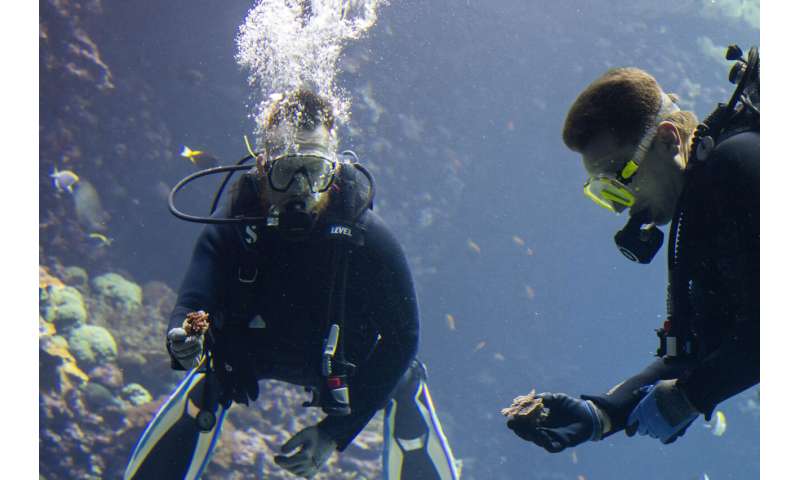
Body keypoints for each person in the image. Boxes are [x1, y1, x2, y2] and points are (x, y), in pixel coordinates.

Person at [124, 89, 459, 479]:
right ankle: (204, 399)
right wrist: (181, 339)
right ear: (263, 165)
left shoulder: (366, 236)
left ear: (334, 169)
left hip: (340, 362)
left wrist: (334, 434)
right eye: (286, 171)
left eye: (314, 170)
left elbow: (404, 338)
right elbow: (194, 300)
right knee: (210, 364)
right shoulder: (235, 223)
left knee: (398, 374)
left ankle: (406, 403)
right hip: (251, 353)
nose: (300, 190)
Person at [506, 51, 759, 452]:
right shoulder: (698, 216)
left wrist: (692, 395)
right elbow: (696, 349)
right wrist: (602, 414)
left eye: (620, 178)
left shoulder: (739, 163)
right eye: (605, 193)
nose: (622, 205)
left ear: (667, 140)